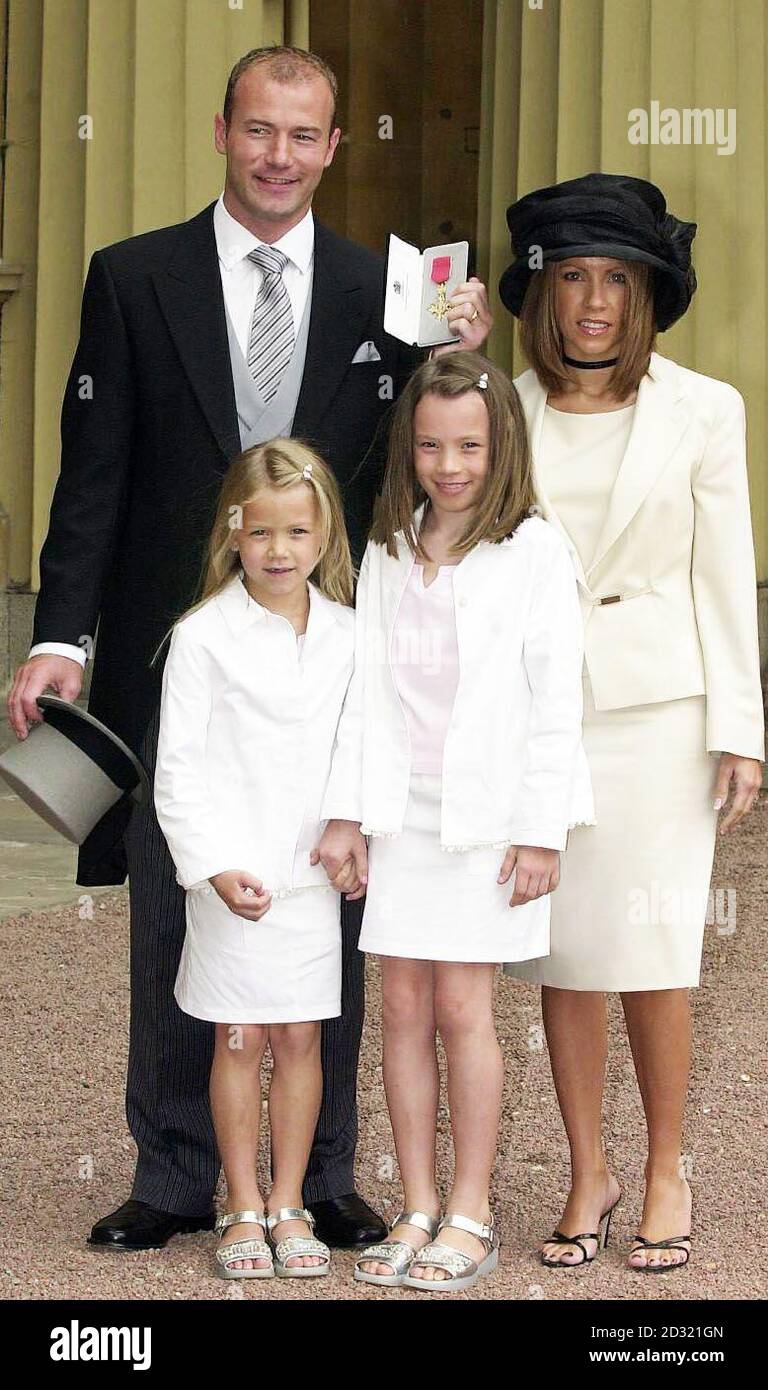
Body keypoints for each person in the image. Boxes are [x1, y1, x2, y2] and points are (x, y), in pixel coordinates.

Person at [5, 43, 492, 1253]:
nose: (280, 153)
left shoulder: (396, 287)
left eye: (304, 134)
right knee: (187, 890)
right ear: (224, 131)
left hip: (338, 655)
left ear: (335, 146)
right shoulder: (133, 278)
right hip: (184, 659)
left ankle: (320, 1174)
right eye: (260, 128)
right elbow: (95, 477)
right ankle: (174, 1171)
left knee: (324, 895)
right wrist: (61, 636)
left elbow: (443, 445)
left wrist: (461, 350)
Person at [498, 172, 764, 1271]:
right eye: (573, 279)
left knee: (655, 951)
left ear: (647, 293)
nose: (595, 301)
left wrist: (740, 728)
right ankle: (584, 1167)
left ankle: (664, 1166)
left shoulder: (707, 409)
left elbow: (725, 572)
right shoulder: (499, 407)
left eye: (616, 279)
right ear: (543, 293)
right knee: (565, 955)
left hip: (661, 715)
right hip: (540, 719)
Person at [316, 351, 595, 1290]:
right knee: (399, 1008)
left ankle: (471, 1211)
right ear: (411, 449)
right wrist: (350, 815)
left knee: (464, 1008)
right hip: (403, 817)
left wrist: (542, 827)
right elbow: (365, 696)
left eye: (469, 445)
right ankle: (419, 1204)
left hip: (488, 821)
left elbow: (557, 700)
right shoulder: (392, 547)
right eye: (432, 446)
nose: (450, 465)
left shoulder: (535, 551)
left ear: (499, 445)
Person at [154, 439, 358, 1279]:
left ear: (324, 537)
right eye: (262, 533)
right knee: (238, 1039)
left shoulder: (350, 635)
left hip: (309, 877)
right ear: (233, 534)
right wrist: (210, 864)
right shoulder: (201, 638)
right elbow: (179, 771)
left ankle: (290, 1203)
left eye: (298, 533)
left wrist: (351, 826)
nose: (280, 552)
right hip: (232, 878)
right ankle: (240, 1203)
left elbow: (361, 741)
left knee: (302, 1037)